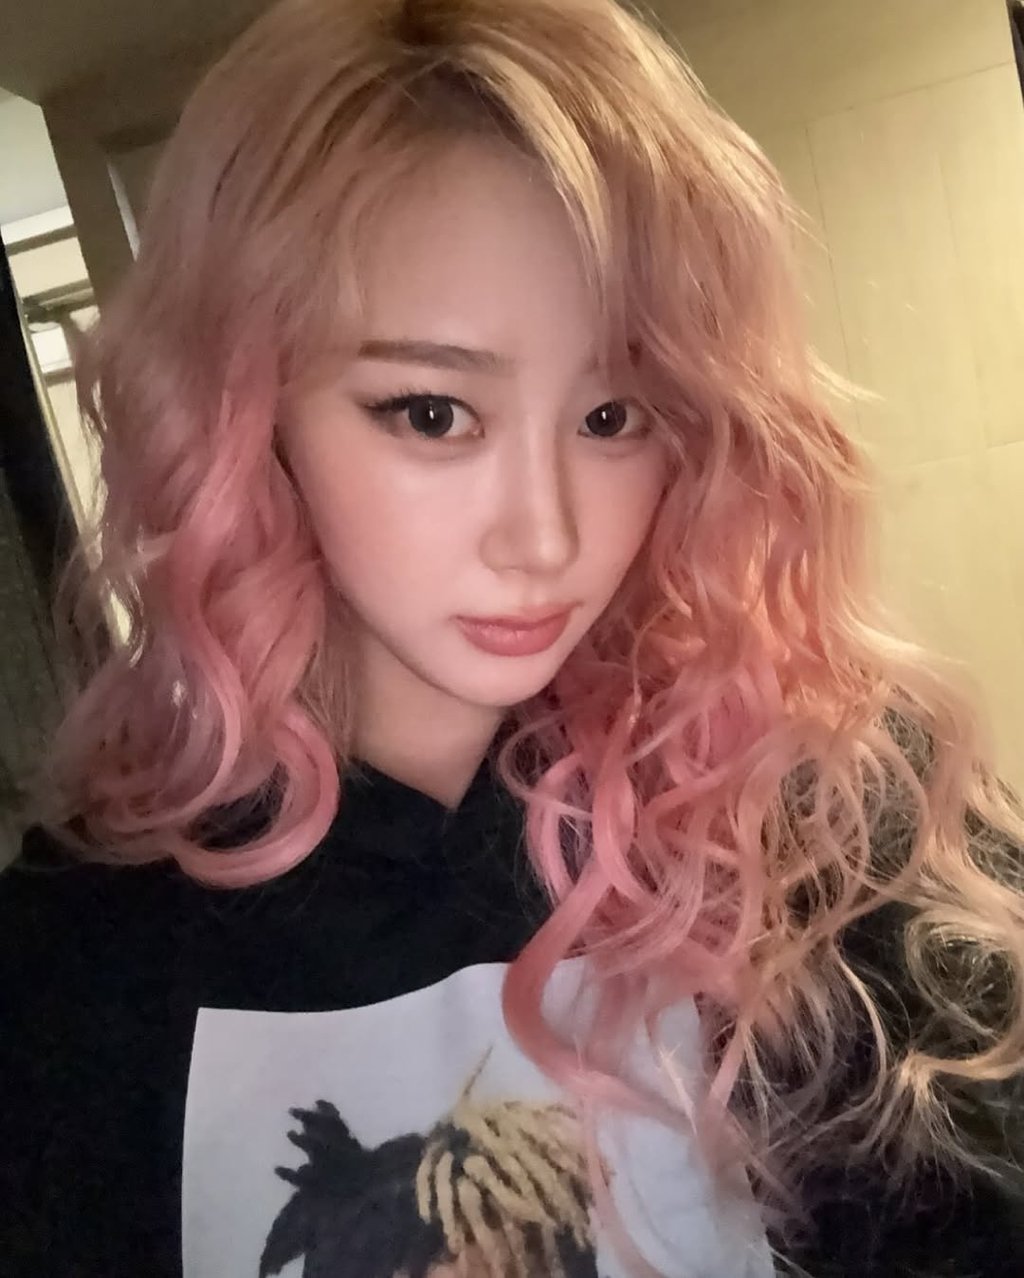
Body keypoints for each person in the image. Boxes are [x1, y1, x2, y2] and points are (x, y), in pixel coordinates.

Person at [1, 0, 1022, 1275]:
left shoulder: (835, 821)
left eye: (613, 416)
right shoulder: (77, 958)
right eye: (432, 413)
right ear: (249, 414)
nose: (543, 538)